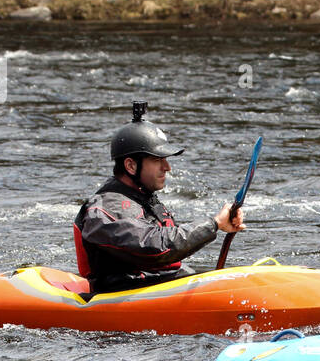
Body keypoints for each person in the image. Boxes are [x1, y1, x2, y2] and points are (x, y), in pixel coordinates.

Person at [73, 102, 244, 294]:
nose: (167, 167)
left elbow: (172, 242)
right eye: (157, 160)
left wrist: (222, 225)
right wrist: (213, 224)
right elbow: (156, 248)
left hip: (157, 287)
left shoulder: (143, 198)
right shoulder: (105, 209)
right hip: (123, 298)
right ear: (130, 166)